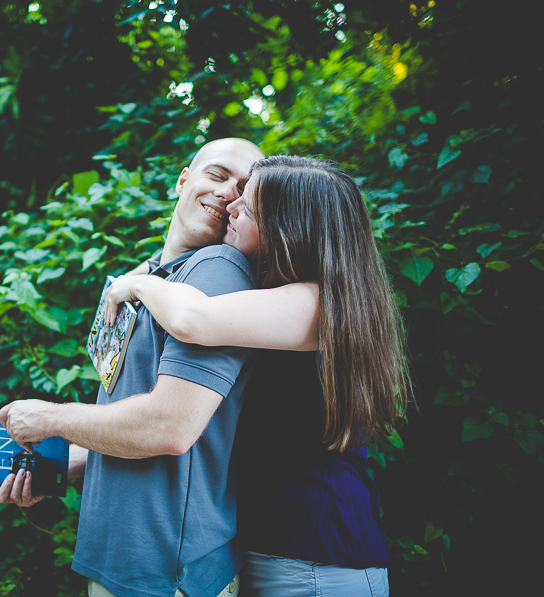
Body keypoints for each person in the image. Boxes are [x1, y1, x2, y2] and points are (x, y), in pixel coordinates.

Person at [104, 155, 409, 596]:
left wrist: (139, 283)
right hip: (278, 554)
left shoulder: (318, 304)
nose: (230, 206)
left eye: (246, 208)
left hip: (315, 561)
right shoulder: (281, 297)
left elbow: (191, 318)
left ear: (287, 231)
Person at [0, 137, 266, 597]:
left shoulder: (218, 268)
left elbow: (169, 427)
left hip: (164, 570)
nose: (227, 193)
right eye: (217, 175)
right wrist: (55, 468)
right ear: (184, 179)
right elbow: (128, 424)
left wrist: (51, 418)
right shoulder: (149, 280)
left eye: (242, 190)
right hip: (121, 561)